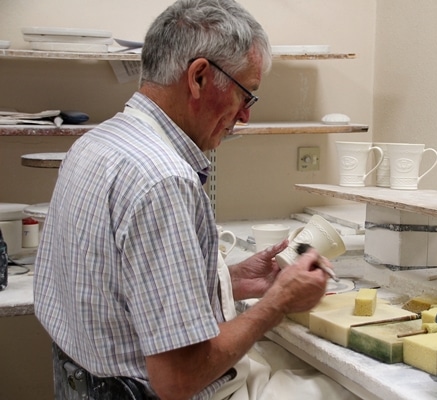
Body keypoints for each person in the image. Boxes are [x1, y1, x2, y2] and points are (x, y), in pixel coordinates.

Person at [34, 1, 357, 399]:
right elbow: (178, 378)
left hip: (83, 383)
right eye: (245, 95)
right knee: (350, 390)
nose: (245, 117)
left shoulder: (97, 143)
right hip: (142, 391)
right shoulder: (163, 180)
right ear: (200, 77)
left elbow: (117, 289)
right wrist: (277, 303)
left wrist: (230, 280)